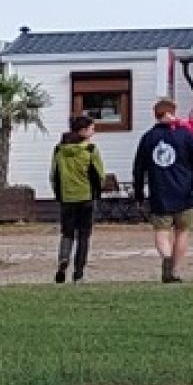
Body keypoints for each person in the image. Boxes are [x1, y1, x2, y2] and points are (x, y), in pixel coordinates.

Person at [133, 95, 193, 282]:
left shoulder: (148, 138)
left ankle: (166, 258)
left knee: (161, 231)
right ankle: (175, 270)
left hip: (159, 192)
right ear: (172, 113)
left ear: (156, 115)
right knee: (182, 231)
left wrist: (139, 194)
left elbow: (138, 169)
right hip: (185, 192)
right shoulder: (185, 134)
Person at [48, 113, 110, 282]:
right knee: (84, 235)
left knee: (67, 232)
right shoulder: (90, 150)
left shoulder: (59, 149)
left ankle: (63, 259)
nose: (93, 132)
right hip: (86, 197)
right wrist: (98, 190)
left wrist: (58, 192)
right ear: (82, 131)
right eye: (91, 129)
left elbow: (54, 174)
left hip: (67, 198)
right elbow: (99, 174)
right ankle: (79, 272)